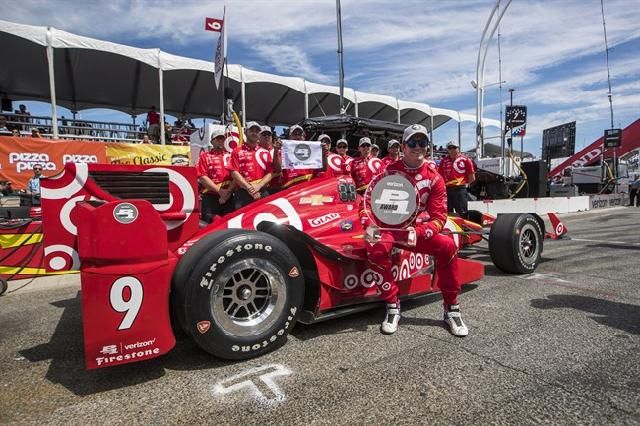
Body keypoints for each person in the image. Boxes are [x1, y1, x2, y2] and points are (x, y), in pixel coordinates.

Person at [361, 124, 466, 336]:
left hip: (415, 231)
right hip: (390, 229)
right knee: (372, 245)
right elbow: (367, 204)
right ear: (403, 146)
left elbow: (438, 218)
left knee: (447, 246)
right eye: (412, 142)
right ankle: (392, 305)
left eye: (422, 142)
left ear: (427, 146)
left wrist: (421, 231)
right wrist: (368, 223)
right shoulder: (388, 172)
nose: (417, 147)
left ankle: (451, 308)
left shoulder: (435, 178)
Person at [228, 121, 274, 209]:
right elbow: (234, 173)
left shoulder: (264, 152)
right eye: (252, 130)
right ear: (246, 132)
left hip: (262, 191)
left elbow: (270, 173)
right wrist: (250, 188)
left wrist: (259, 186)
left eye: (257, 131)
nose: (254, 133)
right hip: (243, 193)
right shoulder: (237, 151)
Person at [196, 129, 234, 222]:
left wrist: (227, 193)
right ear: (212, 142)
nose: (220, 141)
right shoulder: (204, 156)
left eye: (222, 139)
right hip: (210, 197)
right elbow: (202, 177)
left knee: (230, 225)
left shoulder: (230, 156)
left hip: (229, 197)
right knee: (210, 226)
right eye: (217, 139)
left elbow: (236, 176)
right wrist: (220, 192)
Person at [438, 141, 476, 218]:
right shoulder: (443, 161)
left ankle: (464, 228)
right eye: (449, 148)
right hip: (447, 190)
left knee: (462, 212)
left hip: (460, 189)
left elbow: (472, 177)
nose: (452, 150)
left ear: (458, 148)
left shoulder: (466, 160)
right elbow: (440, 176)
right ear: (447, 150)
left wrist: (462, 184)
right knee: (448, 212)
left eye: (454, 147)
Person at [273, 124, 315, 190]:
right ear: (289, 137)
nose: (297, 137)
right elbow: (278, 170)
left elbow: (322, 169)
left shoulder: (310, 151)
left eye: (300, 135)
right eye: (295, 134)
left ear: (304, 137)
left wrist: (323, 153)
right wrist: (276, 151)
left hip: (307, 187)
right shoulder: (282, 151)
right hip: (289, 189)